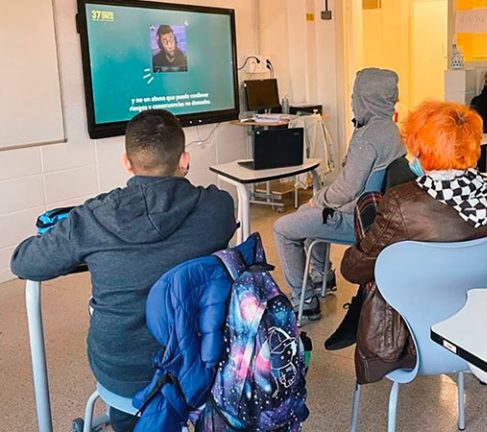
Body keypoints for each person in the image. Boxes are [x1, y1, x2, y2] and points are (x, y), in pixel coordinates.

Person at [11, 110, 237, 432]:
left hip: (123, 374)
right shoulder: (218, 209)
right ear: (184, 160)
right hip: (200, 363)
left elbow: (23, 262)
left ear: (127, 163)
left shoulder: (92, 219)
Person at [340, 101, 487, 382]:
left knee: (368, 206)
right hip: (476, 332)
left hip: (412, 338)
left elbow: (353, 270)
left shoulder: (403, 200)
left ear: (423, 149)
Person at [273, 68, 405, 321]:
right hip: (373, 213)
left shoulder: (368, 138)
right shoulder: (388, 128)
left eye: (355, 94)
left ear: (365, 97)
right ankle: (323, 275)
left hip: (355, 219)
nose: (352, 99)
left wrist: (318, 199)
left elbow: (346, 190)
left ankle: (305, 300)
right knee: (306, 214)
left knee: (283, 229)